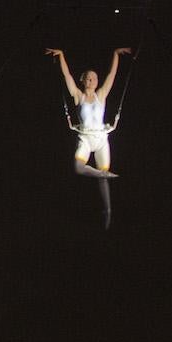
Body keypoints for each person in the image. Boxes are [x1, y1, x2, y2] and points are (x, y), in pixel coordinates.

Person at [45, 46, 131, 228]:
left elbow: (111, 76)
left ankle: (108, 212)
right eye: (89, 78)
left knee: (103, 181)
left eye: (95, 78)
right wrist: (61, 55)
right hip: (84, 138)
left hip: (101, 139)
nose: (93, 80)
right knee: (78, 167)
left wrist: (115, 54)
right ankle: (103, 173)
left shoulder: (101, 95)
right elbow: (67, 75)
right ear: (83, 80)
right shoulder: (78, 96)